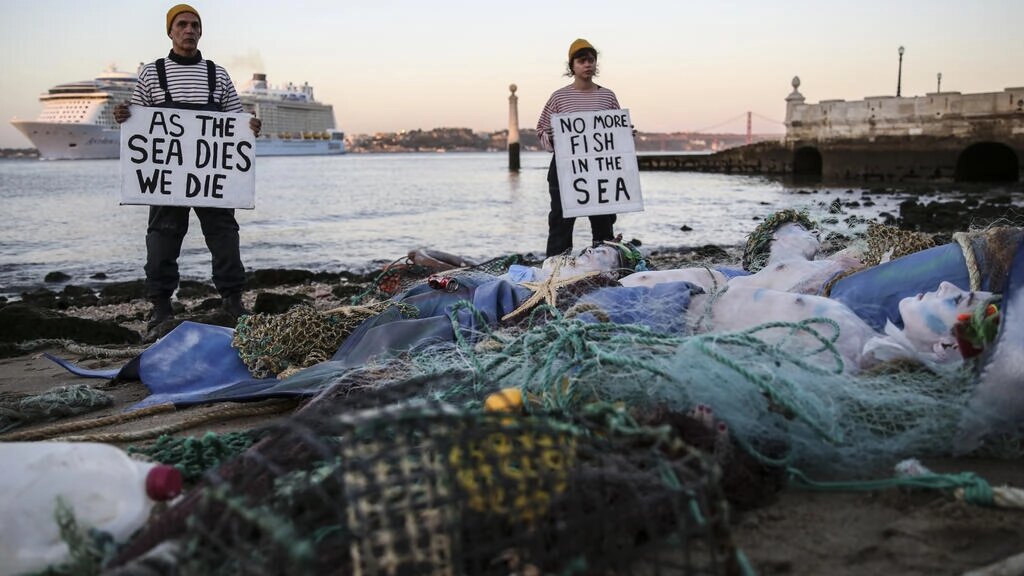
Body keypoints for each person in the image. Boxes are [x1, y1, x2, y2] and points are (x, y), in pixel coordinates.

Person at [113, 4, 261, 332]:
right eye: (182, 25)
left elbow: (236, 121)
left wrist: (251, 127)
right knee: (162, 238)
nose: (189, 30)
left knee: (224, 235)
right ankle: (161, 307)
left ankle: (233, 301)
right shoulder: (152, 73)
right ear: (170, 31)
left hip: (212, 175)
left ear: (201, 31)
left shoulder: (217, 74)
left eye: (195, 25)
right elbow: (138, 120)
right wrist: (124, 115)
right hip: (167, 175)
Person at [536, 39, 625, 257]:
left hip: (599, 168)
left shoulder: (608, 96)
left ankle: (605, 266)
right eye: (582, 60)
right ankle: (556, 268)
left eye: (591, 60)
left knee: (603, 221)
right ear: (572, 66)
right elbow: (541, 129)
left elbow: (615, 133)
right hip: (565, 168)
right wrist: (553, 137)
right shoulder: (559, 97)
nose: (588, 65)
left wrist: (625, 134)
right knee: (560, 220)